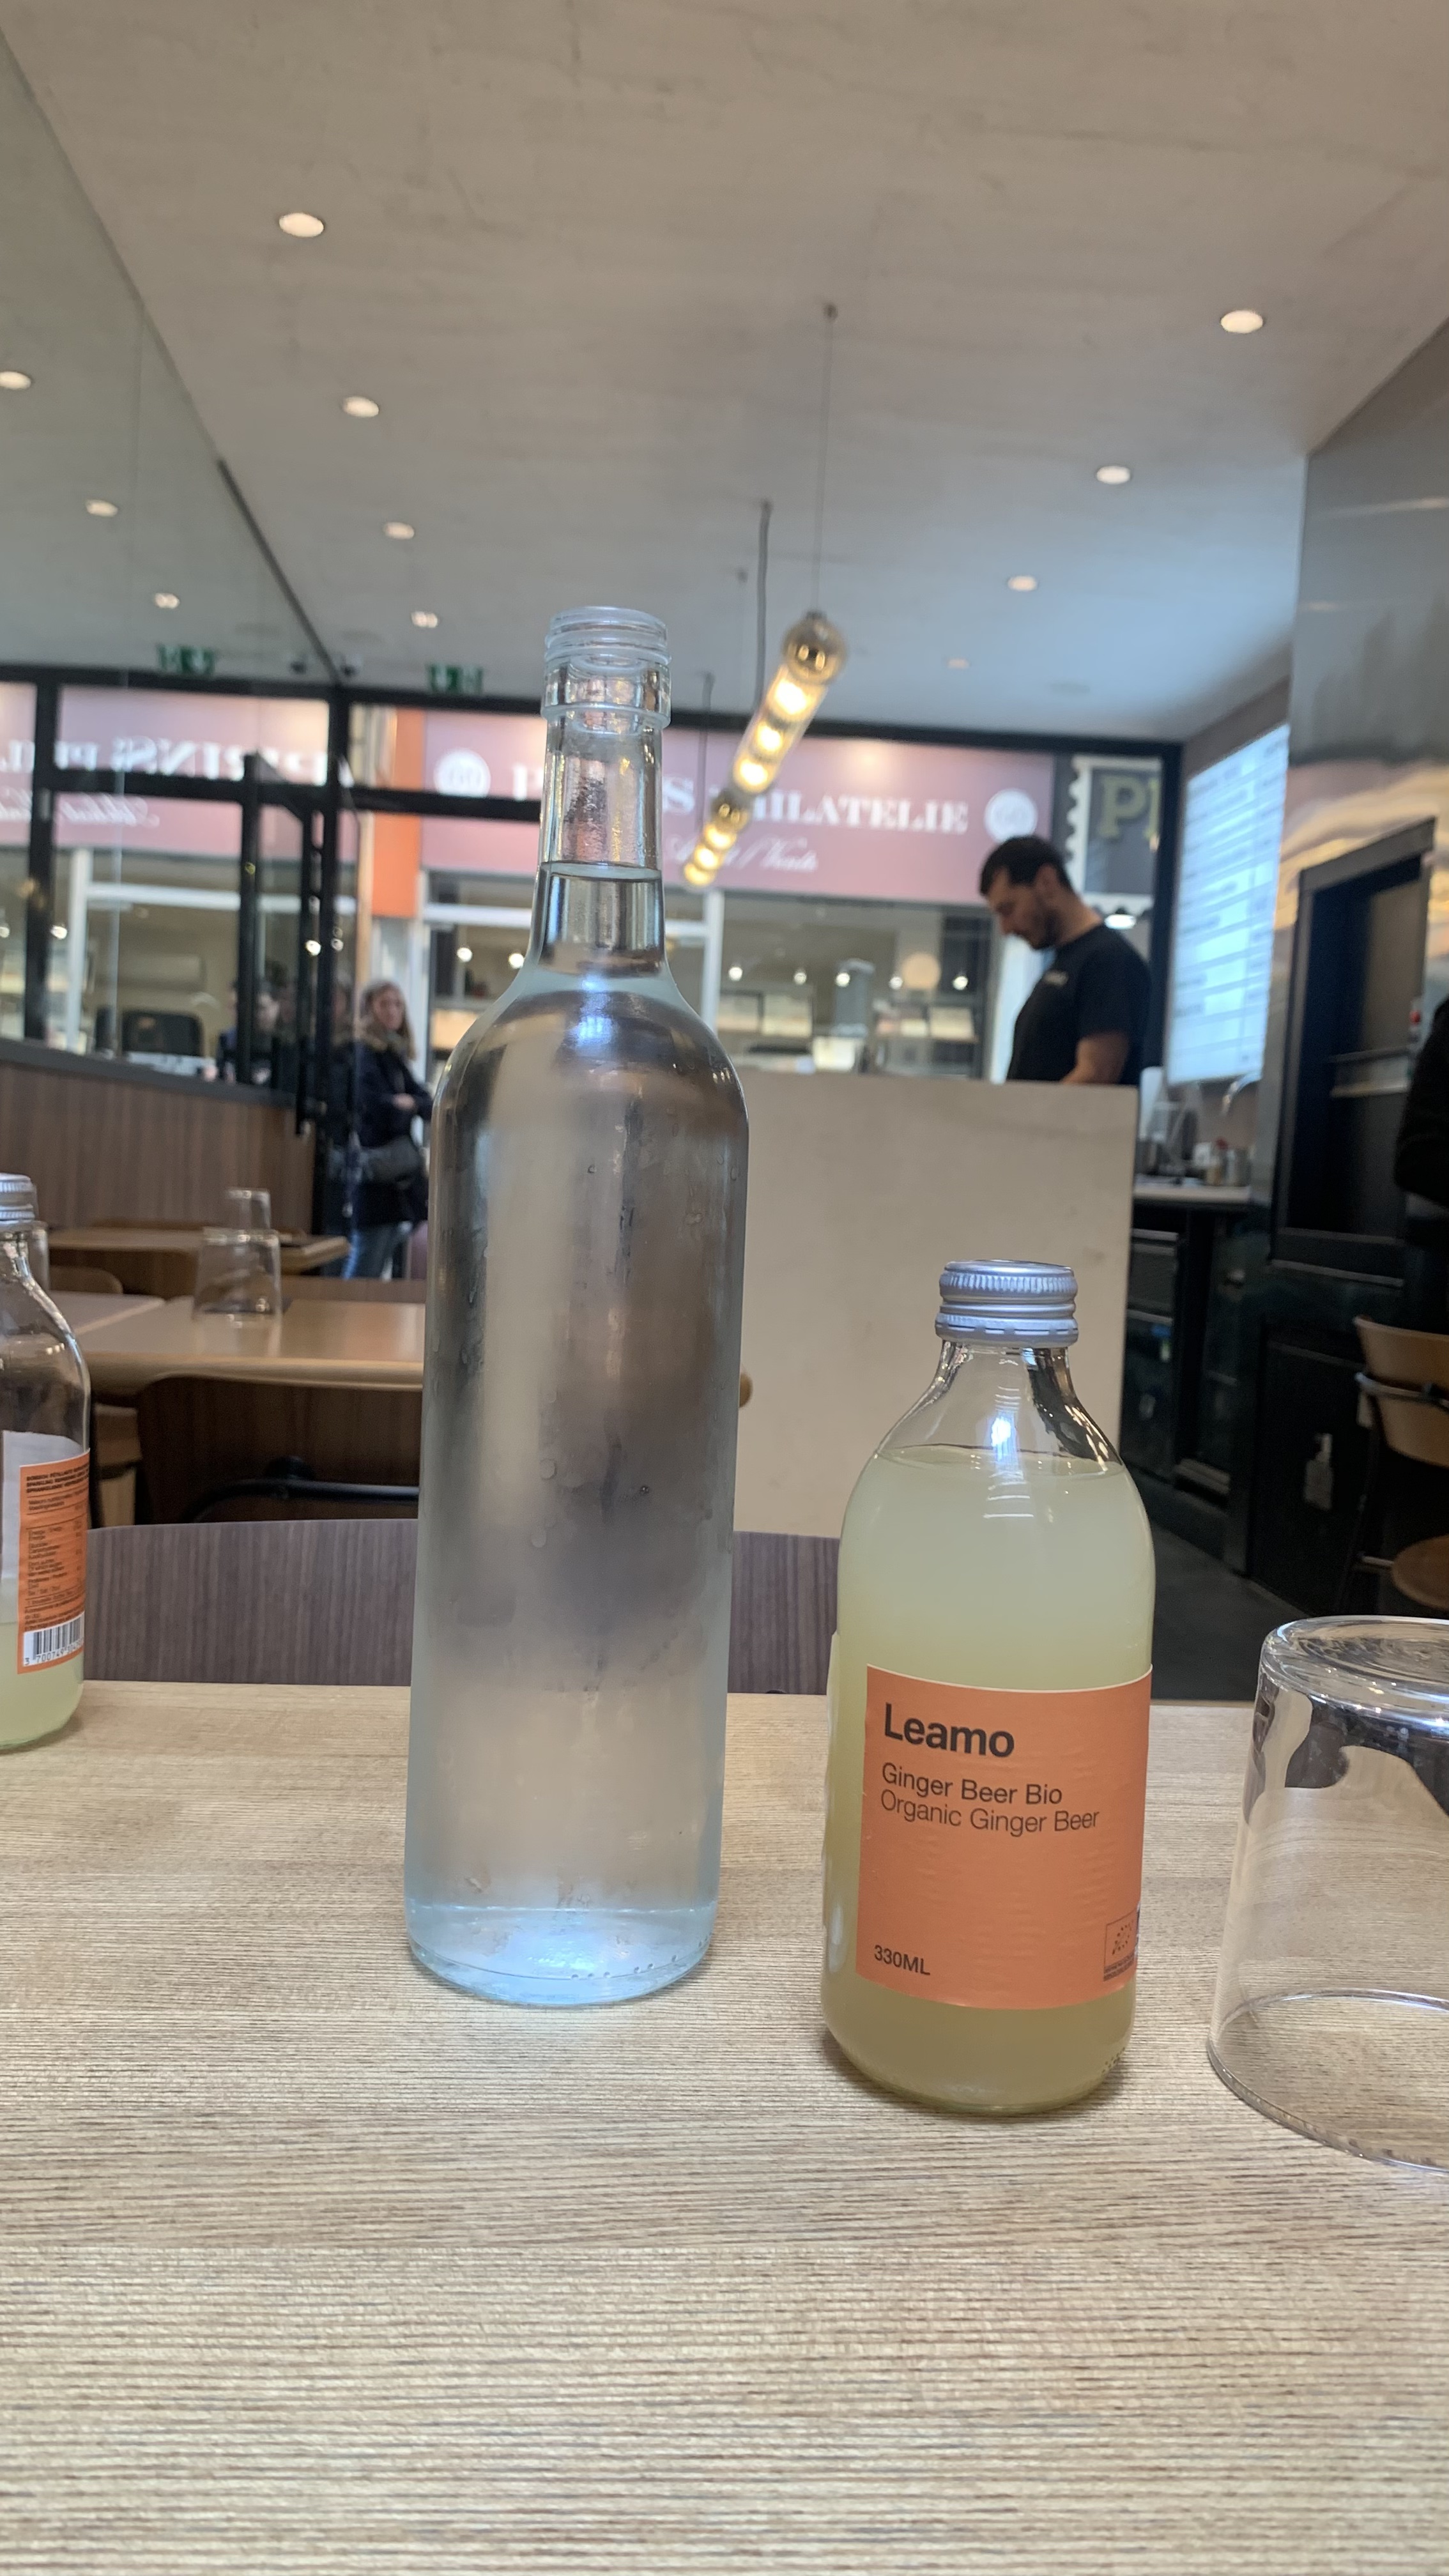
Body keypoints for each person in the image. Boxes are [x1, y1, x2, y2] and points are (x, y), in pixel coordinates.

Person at [981, 833, 1150, 1085]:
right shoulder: (1068, 961)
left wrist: (1031, 1112)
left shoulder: (1108, 961)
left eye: (1009, 909)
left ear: (1047, 882)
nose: (1006, 928)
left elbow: (1096, 1075)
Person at [348, 979, 432, 1278]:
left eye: (398, 1004)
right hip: (376, 1178)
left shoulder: (395, 1056)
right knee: (366, 1263)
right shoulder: (364, 1055)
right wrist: (404, 1106)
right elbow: (376, 1108)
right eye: (384, 1004)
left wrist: (409, 1104)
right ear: (368, 1009)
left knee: (382, 1259)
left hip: (396, 1184)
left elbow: (426, 1103)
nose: (393, 1011)